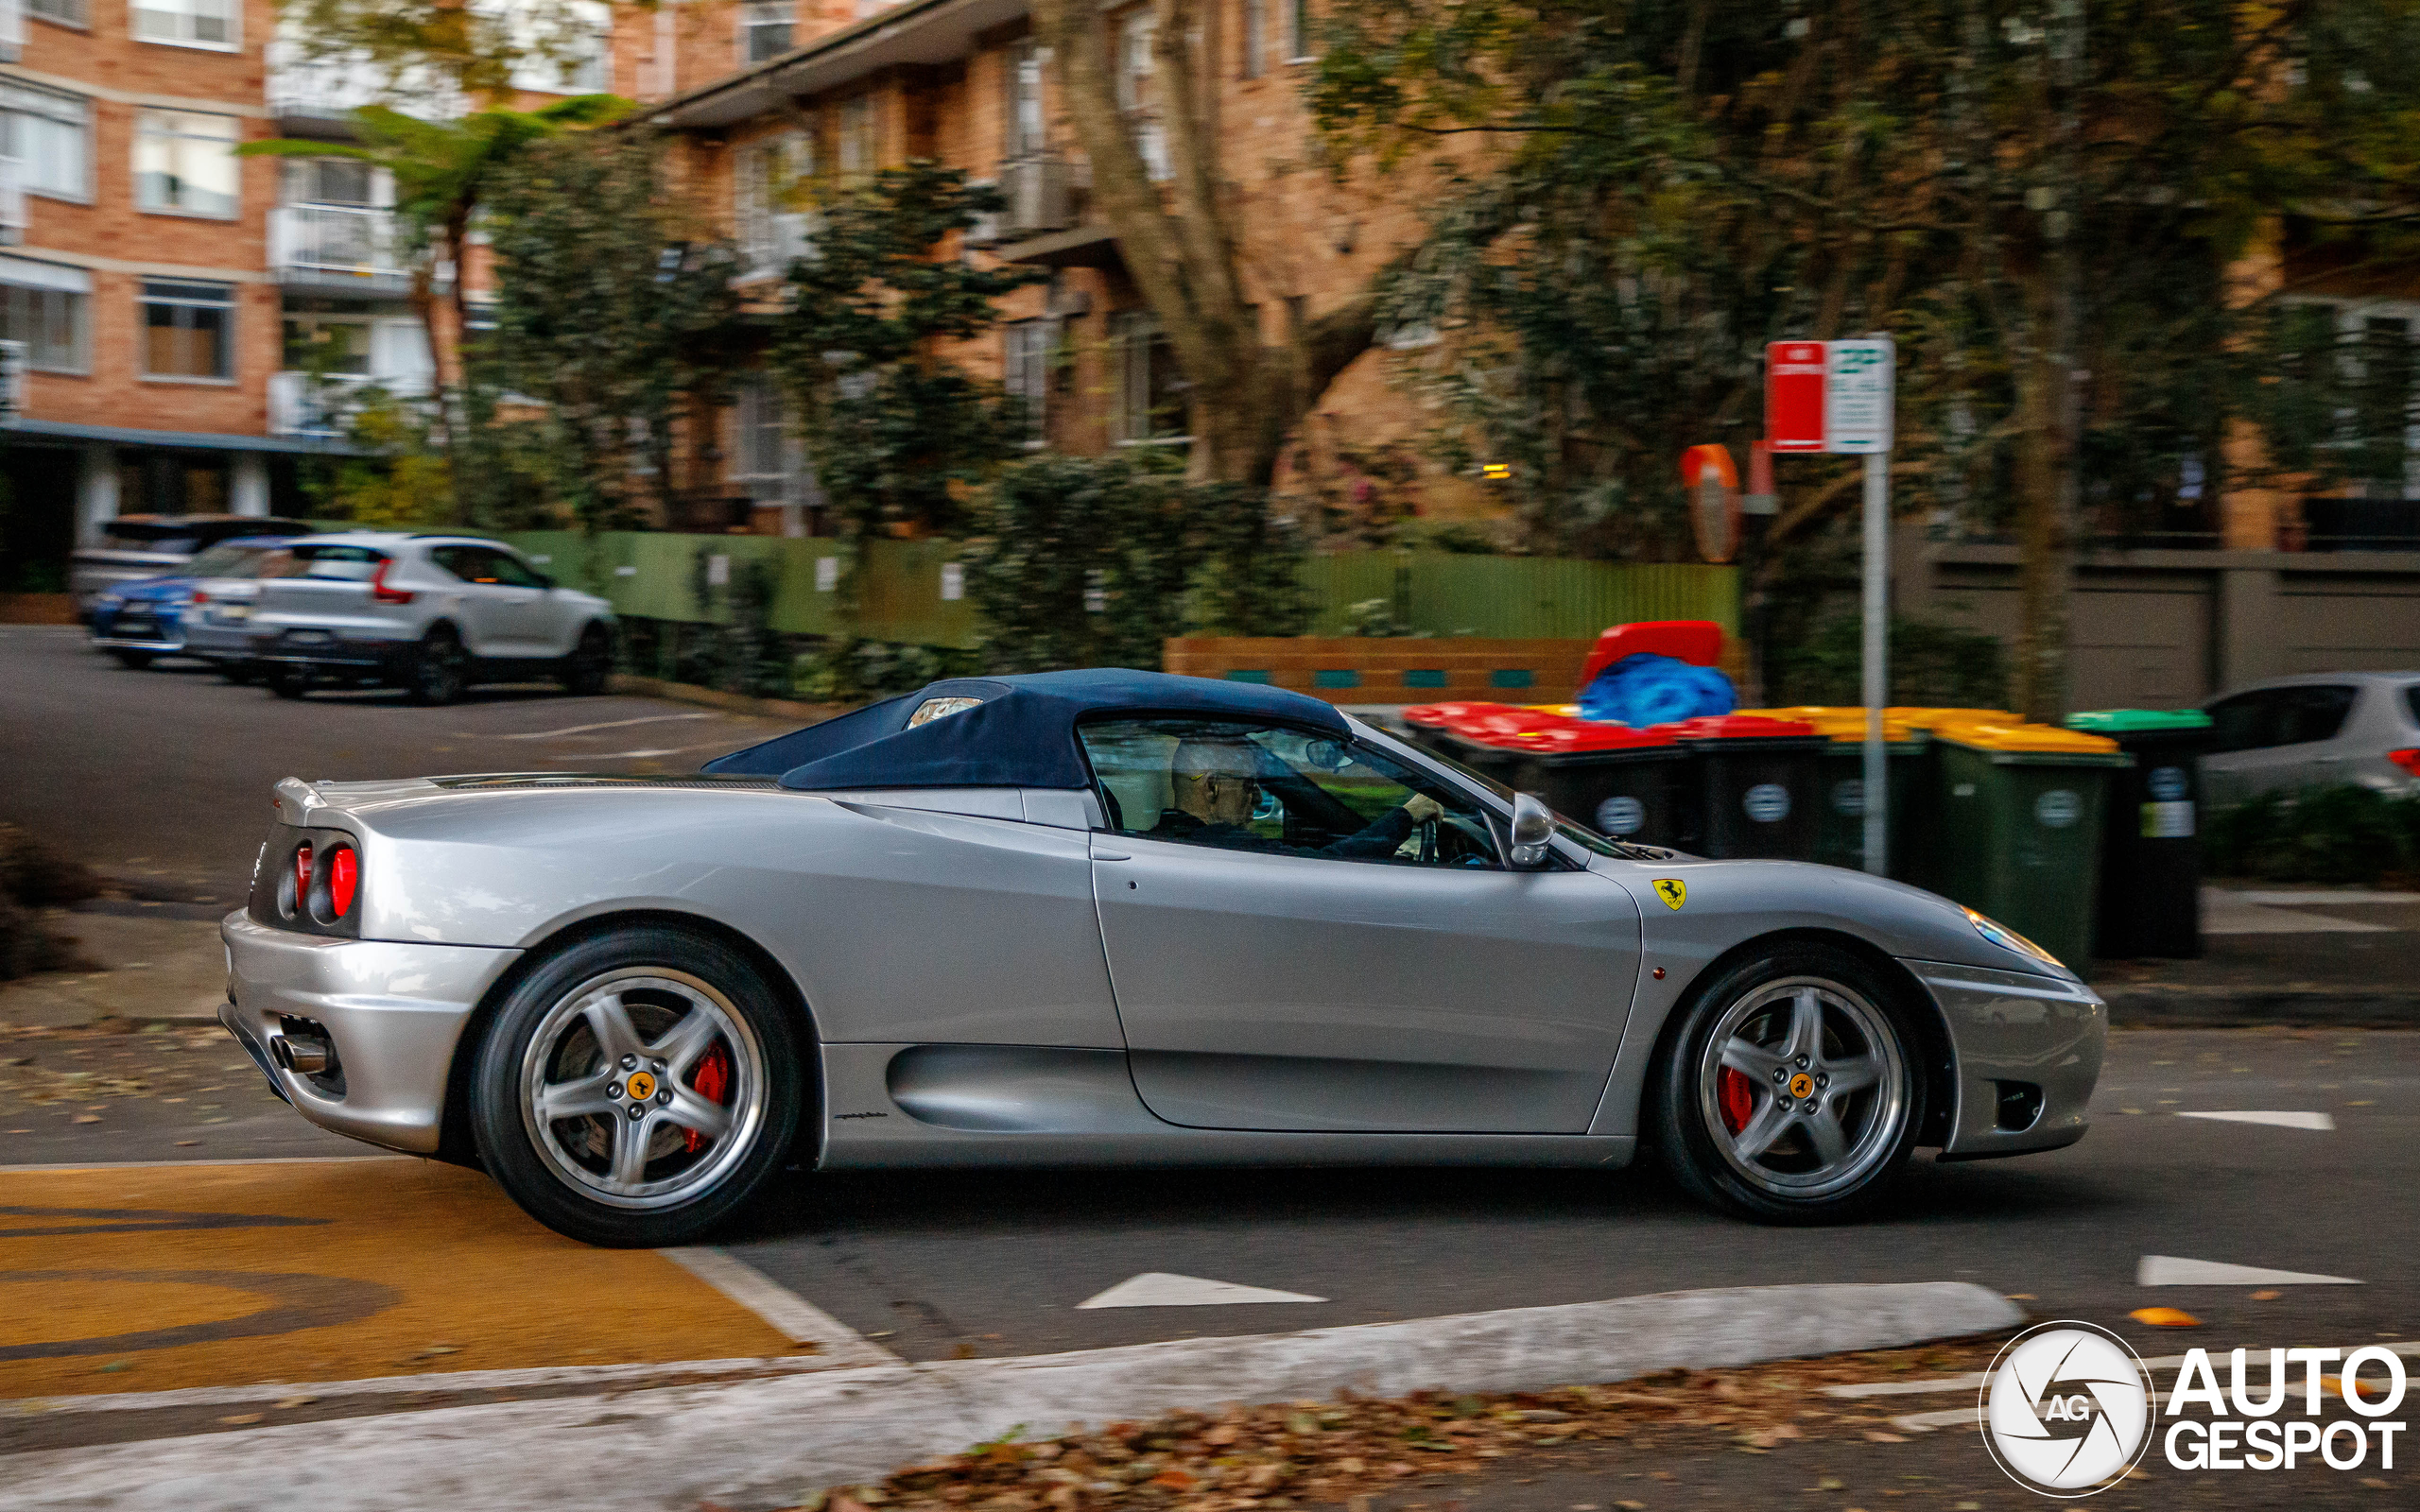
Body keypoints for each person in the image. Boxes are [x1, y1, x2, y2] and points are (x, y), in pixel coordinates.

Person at [1150, 736, 1442, 859]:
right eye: (1248, 785)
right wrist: (1406, 815)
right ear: (1212, 787)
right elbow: (1329, 867)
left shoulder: (1160, 840)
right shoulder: (1226, 847)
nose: (1258, 797)